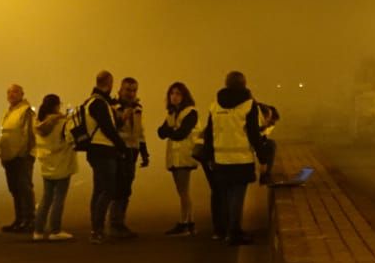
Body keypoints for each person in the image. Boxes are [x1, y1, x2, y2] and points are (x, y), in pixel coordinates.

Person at [201, 71, 264, 245]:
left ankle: (226, 229)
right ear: (244, 84)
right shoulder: (249, 105)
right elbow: (253, 134)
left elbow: (209, 133)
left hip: (221, 159)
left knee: (226, 196)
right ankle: (234, 232)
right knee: (237, 196)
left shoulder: (215, 105)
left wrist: (208, 155)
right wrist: (262, 155)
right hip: (241, 159)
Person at [80, 70, 125, 243]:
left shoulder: (90, 101)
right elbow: (107, 128)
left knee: (98, 190)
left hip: (94, 150)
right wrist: (121, 147)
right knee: (107, 190)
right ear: (110, 83)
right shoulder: (99, 103)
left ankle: (96, 228)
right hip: (104, 150)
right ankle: (97, 230)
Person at [156, 81, 200, 236]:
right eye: (172, 93)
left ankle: (185, 223)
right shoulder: (172, 113)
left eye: (178, 93)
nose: (174, 97)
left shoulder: (190, 112)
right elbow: (161, 132)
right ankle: (189, 222)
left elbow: (181, 133)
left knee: (183, 191)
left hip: (184, 155)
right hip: (175, 156)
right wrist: (170, 130)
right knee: (182, 191)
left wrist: (170, 130)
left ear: (184, 96)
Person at [32, 94, 76, 241]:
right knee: (59, 198)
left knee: (46, 197)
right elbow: (71, 139)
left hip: (46, 164)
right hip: (62, 163)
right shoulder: (62, 122)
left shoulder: (39, 123)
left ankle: (38, 231)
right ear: (56, 105)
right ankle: (55, 230)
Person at [109, 76, 149, 239]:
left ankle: (120, 222)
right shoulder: (113, 107)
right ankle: (114, 224)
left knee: (126, 188)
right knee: (118, 188)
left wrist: (144, 152)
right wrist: (124, 114)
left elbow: (139, 132)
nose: (131, 93)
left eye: (134, 90)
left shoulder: (138, 108)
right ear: (120, 90)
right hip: (119, 151)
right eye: (128, 90)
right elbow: (112, 128)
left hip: (133, 151)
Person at [0, 84, 37, 232]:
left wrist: (24, 153)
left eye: (15, 92)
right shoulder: (9, 112)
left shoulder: (25, 111)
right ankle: (19, 219)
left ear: (22, 94)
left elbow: (29, 134)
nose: (11, 94)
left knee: (24, 188)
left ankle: (29, 220)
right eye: (9, 92)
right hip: (9, 156)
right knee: (14, 189)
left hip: (21, 156)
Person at [255, 99, 280, 185]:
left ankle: (266, 175)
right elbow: (256, 138)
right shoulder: (256, 117)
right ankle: (265, 175)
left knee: (270, 144)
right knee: (271, 145)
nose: (270, 124)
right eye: (269, 121)